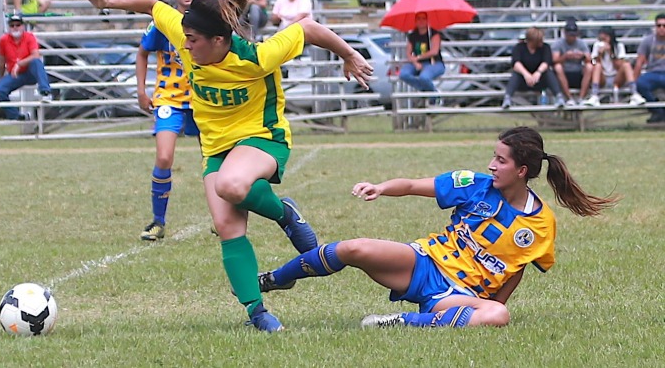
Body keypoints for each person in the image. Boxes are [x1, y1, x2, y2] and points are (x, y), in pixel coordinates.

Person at [79, 0, 373, 332]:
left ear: (218, 40)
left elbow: (307, 28)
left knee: (231, 185)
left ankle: (284, 214)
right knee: (227, 226)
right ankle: (258, 314)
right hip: (217, 149)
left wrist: (348, 54)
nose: (184, 45)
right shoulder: (189, 40)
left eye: (193, 39)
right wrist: (107, 1)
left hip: (263, 138)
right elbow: (151, 5)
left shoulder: (257, 56)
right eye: (184, 36)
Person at [257, 126, 618, 329]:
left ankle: (401, 321)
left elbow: (515, 270)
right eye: (493, 156)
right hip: (423, 262)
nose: (491, 165)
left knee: (499, 315)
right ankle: (276, 278)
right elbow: (415, 185)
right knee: (353, 248)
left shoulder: (540, 224)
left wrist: (482, 307)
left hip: (457, 294)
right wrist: (381, 188)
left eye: (500, 160)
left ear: (521, 171)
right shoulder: (474, 183)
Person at [136, 0, 201, 241]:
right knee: (164, 157)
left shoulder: (210, 20)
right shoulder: (163, 22)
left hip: (203, 100)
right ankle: (158, 222)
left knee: (215, 161)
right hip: (169, 99)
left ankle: (225, 219)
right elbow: (142, 52)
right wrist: (140, 89)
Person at [0, 14, 52, 121]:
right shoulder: (3, 40)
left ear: (23, 26)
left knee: (36, 62)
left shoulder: (29, 37)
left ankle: (45, 92)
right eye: (12, 25)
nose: (15, 27)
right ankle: (17, 116)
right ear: (8, 27)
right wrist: (1, 79)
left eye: (18, 24)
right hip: (15, 75)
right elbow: (1, 62)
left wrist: (19, 64)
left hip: (30, 73)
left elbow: (35, 55)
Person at [502, 27, 565, 109]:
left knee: (548, 73)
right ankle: (507, 98)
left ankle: (559, 97)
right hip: (524, 80)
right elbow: (516, 63)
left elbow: (546, 62)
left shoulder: (545, 47)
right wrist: (526, 75)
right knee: (516, 75)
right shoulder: (519, 48)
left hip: (540, 80)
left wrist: (538, 73)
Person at [583, 27, 645, 107]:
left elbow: (620, 66)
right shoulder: (597, 46)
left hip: (616, 78)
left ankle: (634, 94)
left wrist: (611, 53)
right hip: (603, 78)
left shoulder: (619, 46)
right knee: (597, 66)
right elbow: (594, 64)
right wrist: (600, 54)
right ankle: (594, 96)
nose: (603, 41)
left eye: (605, 38)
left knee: (626, 65)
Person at [398, 12, 445, 106]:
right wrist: (415, 62)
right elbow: (408, 53)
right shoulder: (412, 35)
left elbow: (434, 51)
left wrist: (419, 57)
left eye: (424, 18)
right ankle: (427, 90)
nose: (421, 21)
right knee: (403, 74)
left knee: (424, 77)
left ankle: (434, 97)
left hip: (434, 63)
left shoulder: (434, 34)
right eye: (418, 19)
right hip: (417, 63)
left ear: (428, 20)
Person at [551, 19, 592, 105]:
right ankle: (569, 98)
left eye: (574, 35)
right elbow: (554, 60)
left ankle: (581, 98)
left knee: (589, 67)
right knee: (557, 67)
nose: (572, 37)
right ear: (565, 33)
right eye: (570, 35)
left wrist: (582, 56)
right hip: (564, 73)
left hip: (578, 73)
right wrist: (565, 56)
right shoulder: (558, 44)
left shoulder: (581, 43)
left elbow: (589, 59)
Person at [634, 13, 665, 123]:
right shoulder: (647, 41)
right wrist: (634, 82)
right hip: (653, 72)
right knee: (641, 83)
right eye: (659, 26)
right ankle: (658, 111)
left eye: (664, 26)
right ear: (655, 27)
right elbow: (639, 62)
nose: (661, 28)